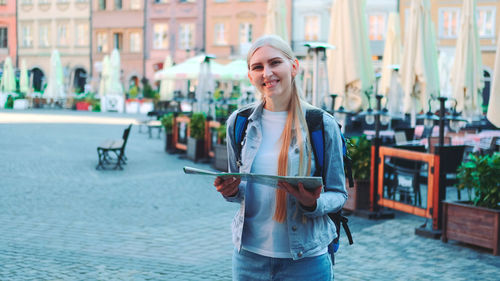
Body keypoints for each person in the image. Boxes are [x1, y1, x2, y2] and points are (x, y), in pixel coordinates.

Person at [213, 35, 347, 281]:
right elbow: (241, 189)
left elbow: (339, 194)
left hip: (306, 262)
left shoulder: (321, 124)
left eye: (275, 63)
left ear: (293, 67)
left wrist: (312, 204)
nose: (267, 73)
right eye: (258, 67)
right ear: (250, 75)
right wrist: (231, 191)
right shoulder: (239, 123)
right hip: (248, 259)